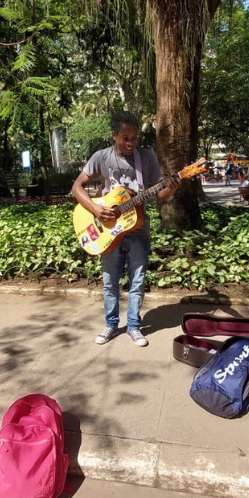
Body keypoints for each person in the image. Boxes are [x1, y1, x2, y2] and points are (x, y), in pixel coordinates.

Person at [72, 111, 180, 347]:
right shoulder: (101, 157)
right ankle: (111, 324)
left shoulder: (147, 157)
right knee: (110, 282)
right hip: (107, 229)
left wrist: (170, 188)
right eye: (125, 138)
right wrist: (96, 209)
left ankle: (133, 326)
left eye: (134, 138)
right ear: (114, 135)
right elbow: (77, 187)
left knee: (137, 281)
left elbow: (158, 193)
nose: (130, 143)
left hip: (137, 229)